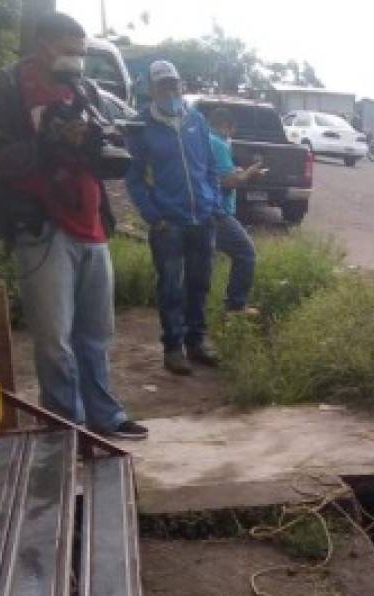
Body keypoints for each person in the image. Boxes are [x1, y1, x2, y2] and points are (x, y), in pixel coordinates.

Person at [0, 11, 148, 440]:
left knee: (97, 333)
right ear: (43, 46)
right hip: (41, 227)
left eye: (82, 53)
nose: (78, 61)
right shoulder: (5, 90)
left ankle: (104, 416)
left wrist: (98, 143)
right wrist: (47, 146)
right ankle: (67, 426)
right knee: (54, 340)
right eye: (71, 52)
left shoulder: (83, 89)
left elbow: (104, 148)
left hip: (91, 224)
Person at [126, 60, 222, 376]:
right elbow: (134, 178)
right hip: (169, 221)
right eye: (163, 85)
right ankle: (173, 348)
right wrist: (154, 215)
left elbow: (209, 166)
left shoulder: (196, 120)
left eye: (174, 84)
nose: (171, 90)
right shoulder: (140, 126)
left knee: (200, 282)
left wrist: (214, 203)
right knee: (171, 285)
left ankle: (197, 341)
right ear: (151, 89)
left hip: (202, 217)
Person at [208, 107, 263, 316]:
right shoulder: (219, 144)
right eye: (232, 130)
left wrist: (237, 172)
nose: (232, 134)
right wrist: (249, 172)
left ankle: (197, 308)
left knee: (205, 260)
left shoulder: (203, 140)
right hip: (217, 211)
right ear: (226, 126)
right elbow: (229, 181)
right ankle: (236, 306)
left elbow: (221, 173)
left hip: (204, 209)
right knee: (246, 253)